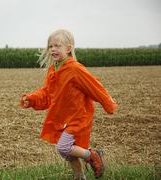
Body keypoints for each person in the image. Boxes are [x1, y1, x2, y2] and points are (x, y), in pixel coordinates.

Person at [19, 29, 117, 179]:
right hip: (62, 118)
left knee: (63, 147)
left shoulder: (74, 69)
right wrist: (32, 99)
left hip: (78, 117)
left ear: (68, 48)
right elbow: (47, 94)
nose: (53, 49)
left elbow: (94, 86)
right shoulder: (53, 70)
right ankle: (79, 176)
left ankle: (92, 155)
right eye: (50, 46)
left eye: (57, 45)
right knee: (67, 151)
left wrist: (108, 104)